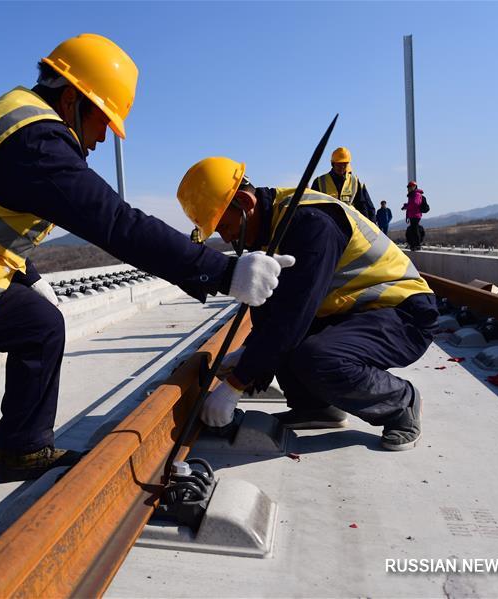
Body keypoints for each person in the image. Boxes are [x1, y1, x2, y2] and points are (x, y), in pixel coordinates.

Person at [0, 35, 291, 598]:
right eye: (102, 123)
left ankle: (24, 448)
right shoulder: (35, 142)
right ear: (76, 99)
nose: (100, 139)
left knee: (39, 325)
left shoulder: (15, 122)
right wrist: (219, 272)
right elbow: (115, 223)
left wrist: (26, 275)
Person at [176, 157, 437, 454]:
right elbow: (274, 309)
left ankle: (401, 403)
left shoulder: (310, 224)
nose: (226, 237)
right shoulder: (273, 226)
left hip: (404, 313)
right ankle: (315, 407)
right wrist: (249, 355)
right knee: (273, 329)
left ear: (244, 202)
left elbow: (293, 315)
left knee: (314, 354)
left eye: (224, 225)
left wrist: (235, 384)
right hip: (356, 312)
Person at [311, 146, 376, 220]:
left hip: (349, 225)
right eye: (339, 164)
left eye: (345, 163)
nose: (342, 166)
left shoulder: (354, 181)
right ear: (333, 163)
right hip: (328, 224)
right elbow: (313, 207)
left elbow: (361, 206)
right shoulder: (320, 181)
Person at [402, 180, 426, 250]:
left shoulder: (416, 194)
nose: (409, 188)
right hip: (412, 214)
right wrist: (406, 206)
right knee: (412, 229)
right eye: (408, 187)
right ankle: (413, 244)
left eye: (411, 186)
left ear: (415, 187)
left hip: (416, 215)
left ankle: (417, 245)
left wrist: (407, 206)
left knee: (414, 230)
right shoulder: (412, 195)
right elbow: (411, 205)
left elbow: (415, 204)